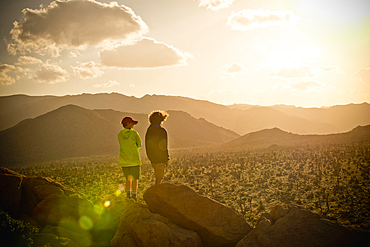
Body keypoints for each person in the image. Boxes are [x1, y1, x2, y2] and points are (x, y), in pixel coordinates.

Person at [118, 116, 142, 201]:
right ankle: (134, 195)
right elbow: (139, 144)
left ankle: (128, 195)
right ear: (128, 124)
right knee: (135, 179)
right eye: (132, 123)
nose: (133, 125)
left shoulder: (120, 134)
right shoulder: (134, 133)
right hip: (134, 160)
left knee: (128, 179)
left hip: (124, 160)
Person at [145, 110, 169, 185]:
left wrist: (151, 158)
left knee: (158, 177)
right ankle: (156, 194)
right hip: (160, 158)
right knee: (159, 178)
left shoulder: (149, 130)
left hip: (153, 157)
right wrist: (166, 158)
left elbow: (147, 145)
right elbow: (163, 147)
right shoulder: (161, 131)